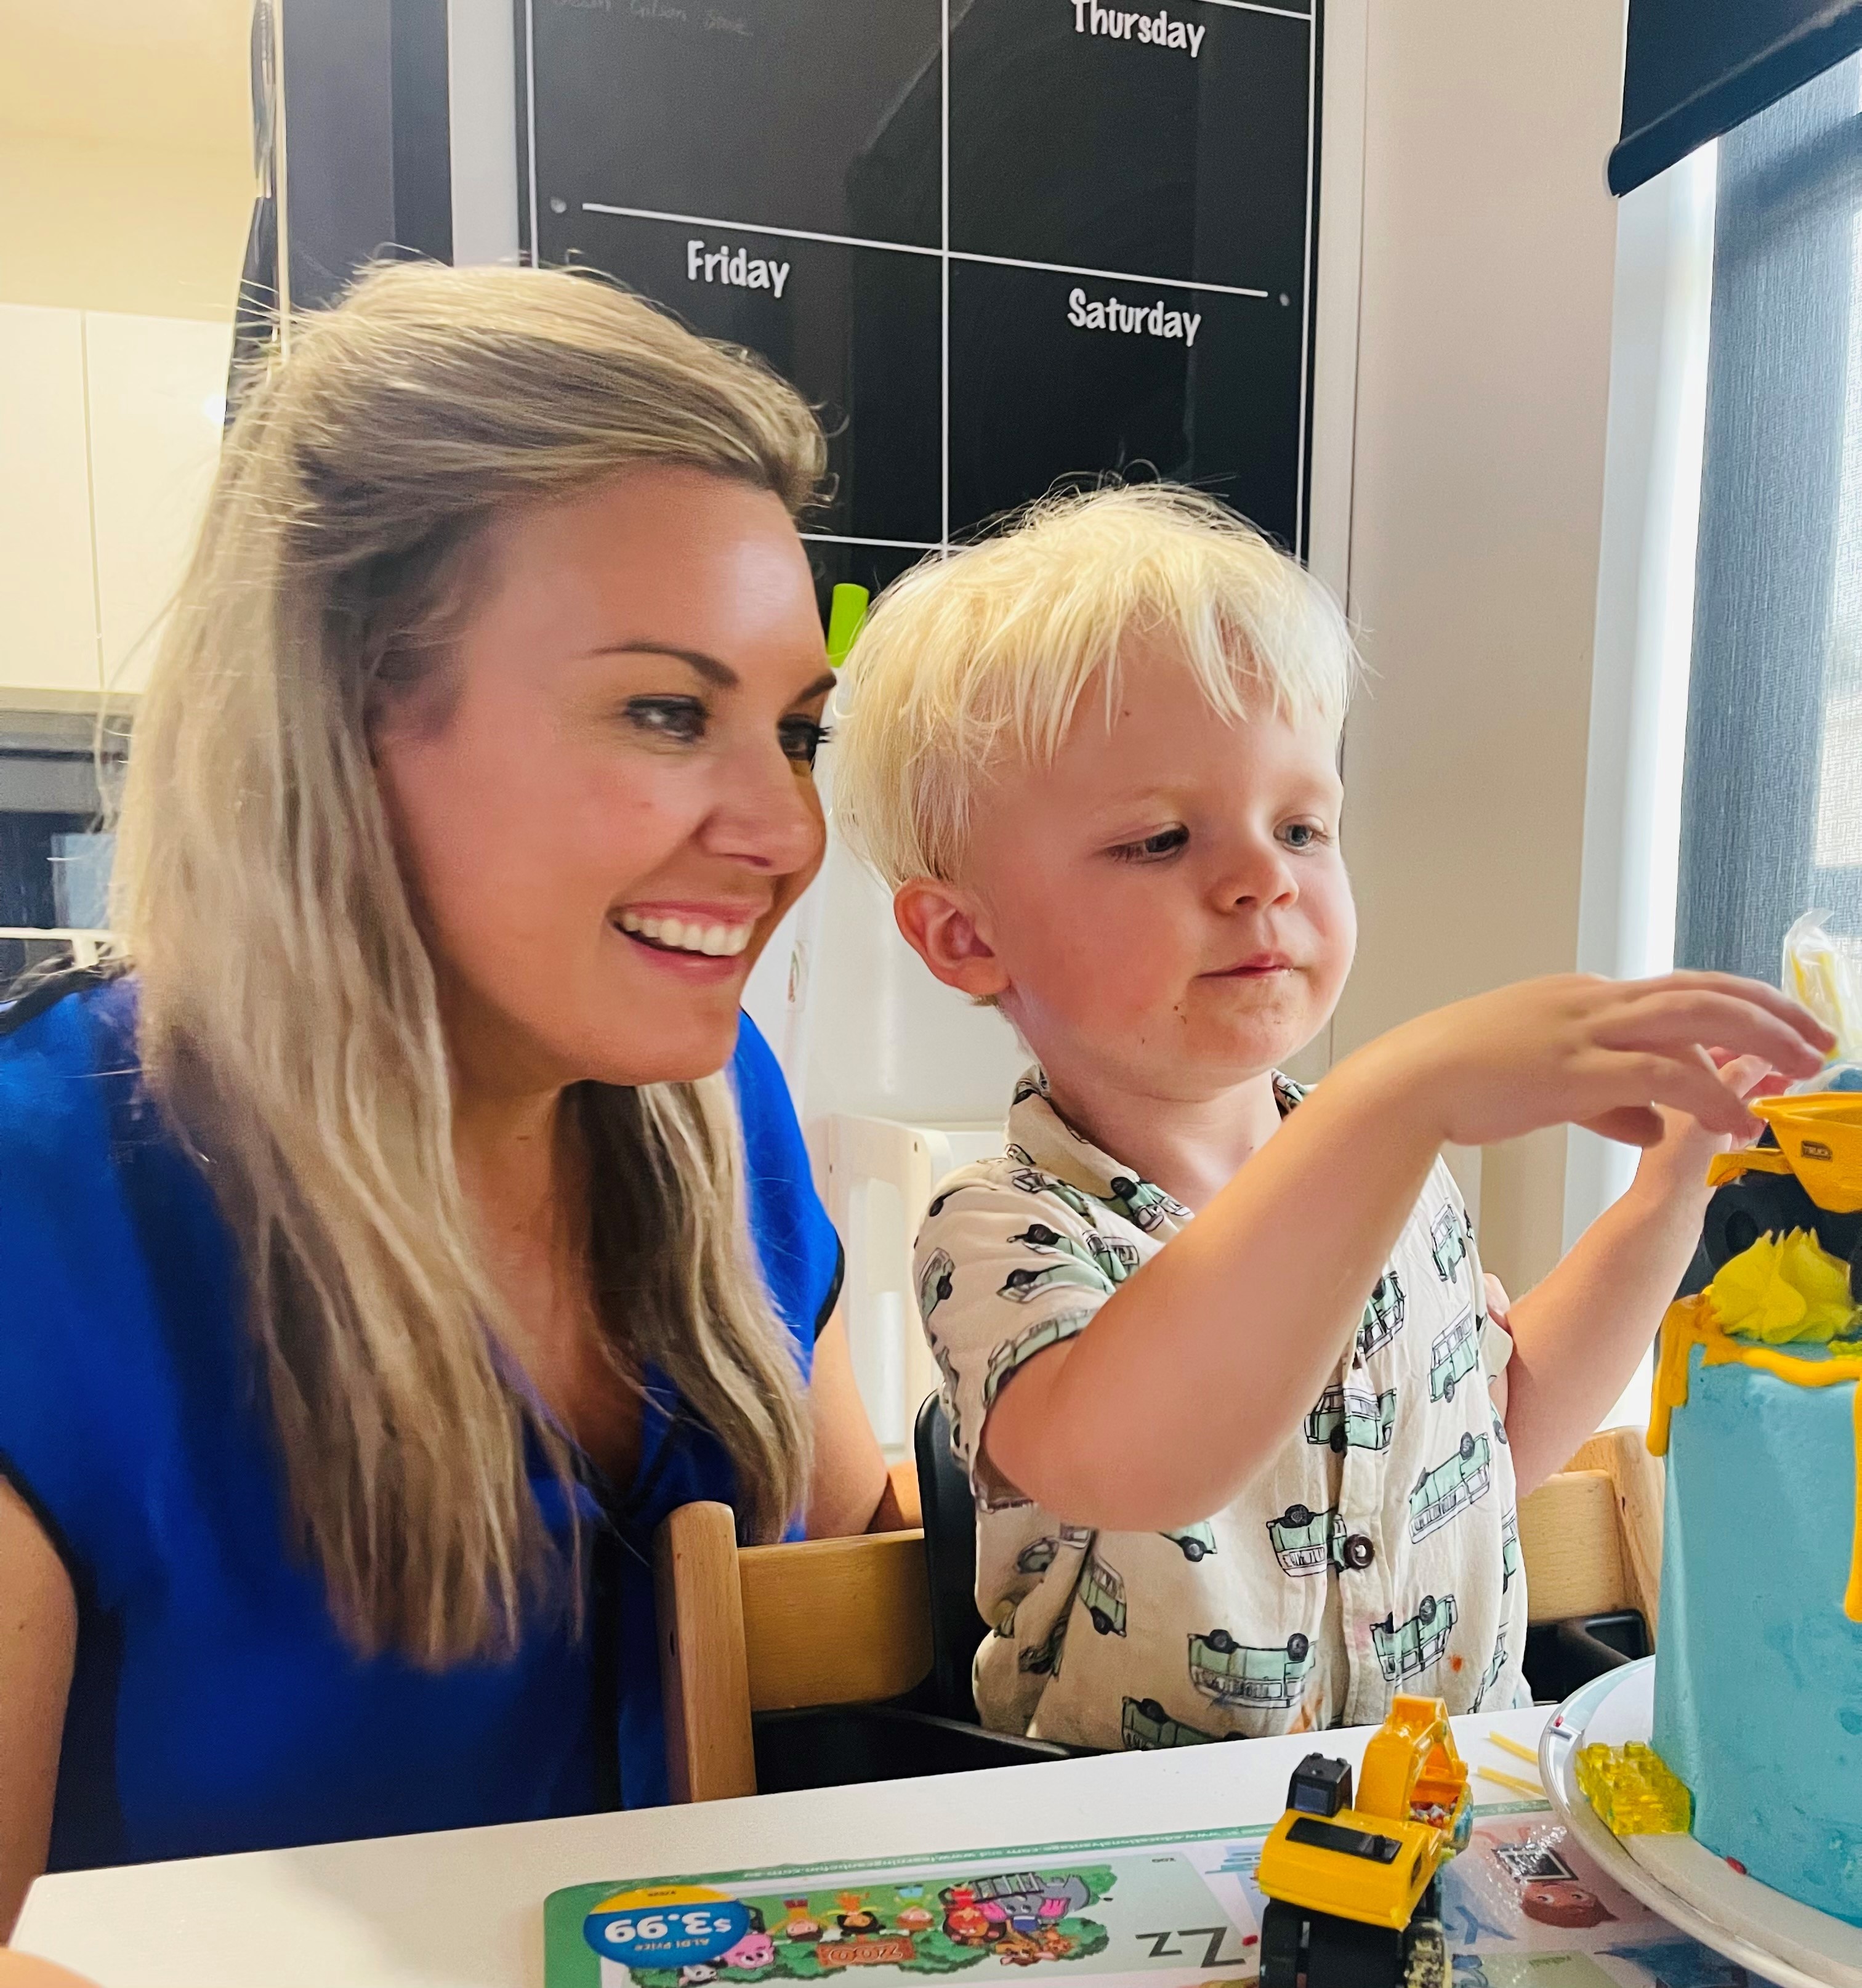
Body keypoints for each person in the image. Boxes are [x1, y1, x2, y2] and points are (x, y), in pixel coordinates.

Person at [0, 262, 905, 1934]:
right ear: (342, 716)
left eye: (793, 729)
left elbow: (851, 1579)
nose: (785, 834)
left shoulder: (719, 1111)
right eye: (662, 709)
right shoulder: (44, 1209)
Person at [830, 483, 1829, 1750]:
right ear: (967, 936)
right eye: (1158, 840)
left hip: (1443, 1809)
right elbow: (1137, 1458)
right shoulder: (999, 1230)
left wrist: (1672, 1189)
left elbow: (1496, 1441)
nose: (1262, 878)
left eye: (1303, 825)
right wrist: (1392, 1100)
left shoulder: (1397, 1180)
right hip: (1134, 1863)